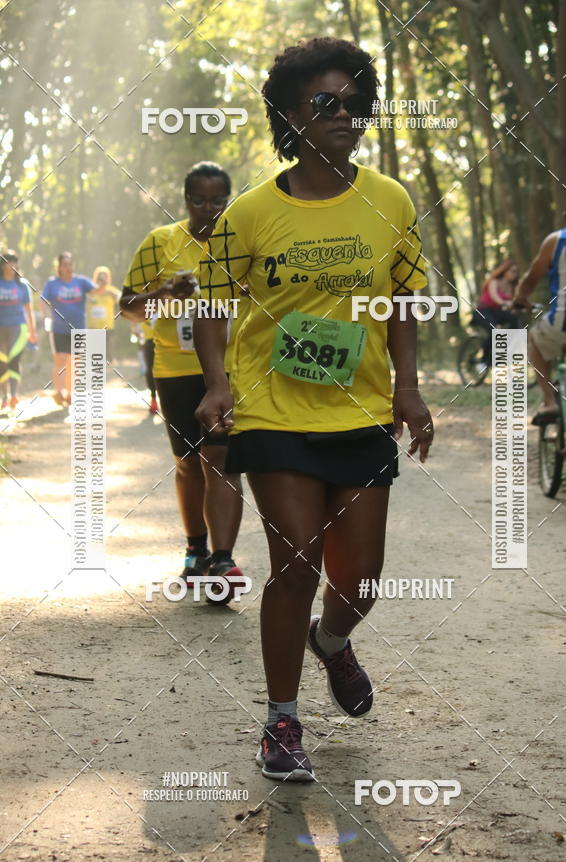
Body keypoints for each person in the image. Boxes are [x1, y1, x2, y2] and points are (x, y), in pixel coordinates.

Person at [194, 37, 433, 781]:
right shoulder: (251, 212)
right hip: (273, 410)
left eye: (356, 102)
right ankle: (281, 722)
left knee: (360, 579)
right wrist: (217, 383)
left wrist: (408, 387)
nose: (344, 113)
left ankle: (331, 641)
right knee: (296, 560)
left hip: (359, 411)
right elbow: (213, 304)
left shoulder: (390, 201)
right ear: (291, 115)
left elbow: (402, 300)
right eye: (325, 101)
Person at [120, 161, 243, 587]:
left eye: (217, 201)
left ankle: (223, 560)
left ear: (228, 201)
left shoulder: (240, 243)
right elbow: (129, 309)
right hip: (175, 367)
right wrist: (166, 292)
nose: (208, 209)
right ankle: (196, 550)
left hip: (227, 368)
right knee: (189, 462)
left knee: (221, 457)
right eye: (199, 201)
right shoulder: (160, 242)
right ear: (186, 200)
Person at [513, 188, 566, 423]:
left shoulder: (557, 240)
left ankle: (550, 402)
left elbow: (531, 279)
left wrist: (520, 299)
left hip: (564, 325)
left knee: (535, 340)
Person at [41, 252, 97, 406]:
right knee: (60, 360)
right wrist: (47, 315)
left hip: (78, 328)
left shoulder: (81, 281)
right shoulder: (52, 283)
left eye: (70, 264)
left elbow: (96, 291)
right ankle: (60, 392)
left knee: (75, 362)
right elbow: (42, 300)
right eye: (65, 265)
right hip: (58, 329)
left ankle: (70, 393)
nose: (68, 268)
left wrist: (104, 285)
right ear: (59, 267)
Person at [0, 250, 36, 411]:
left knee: (13, 359)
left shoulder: (22, 285)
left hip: (18, 328)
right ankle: (4, 396)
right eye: (9, 262)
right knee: (2, 362)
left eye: (15, 262)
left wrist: (32, 332)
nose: (12, 265)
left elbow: (28, 310)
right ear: (2, 265)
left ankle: (14, 395)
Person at [474, 259, 520, 369]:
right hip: (483, 311)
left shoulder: (512, 287)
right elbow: (494, 296)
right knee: (494, 330)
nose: (514, 274)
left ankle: (503, 351)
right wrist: (504, 303)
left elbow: (516, 301)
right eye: (512, 271)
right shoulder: (494, 282)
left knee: (515, 321)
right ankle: (483, 361)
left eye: (516, 272)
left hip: (497, 312)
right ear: (505, 271)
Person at [87, 266, 121, 362]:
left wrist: (109, 291)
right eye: (100, 277)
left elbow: (122, 299)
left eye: (104, 277)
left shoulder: (111, 290)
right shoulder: (90, 290)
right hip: (93, 326)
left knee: (107, 350)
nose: (102, 279)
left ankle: (108, 364)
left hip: (107, 326)